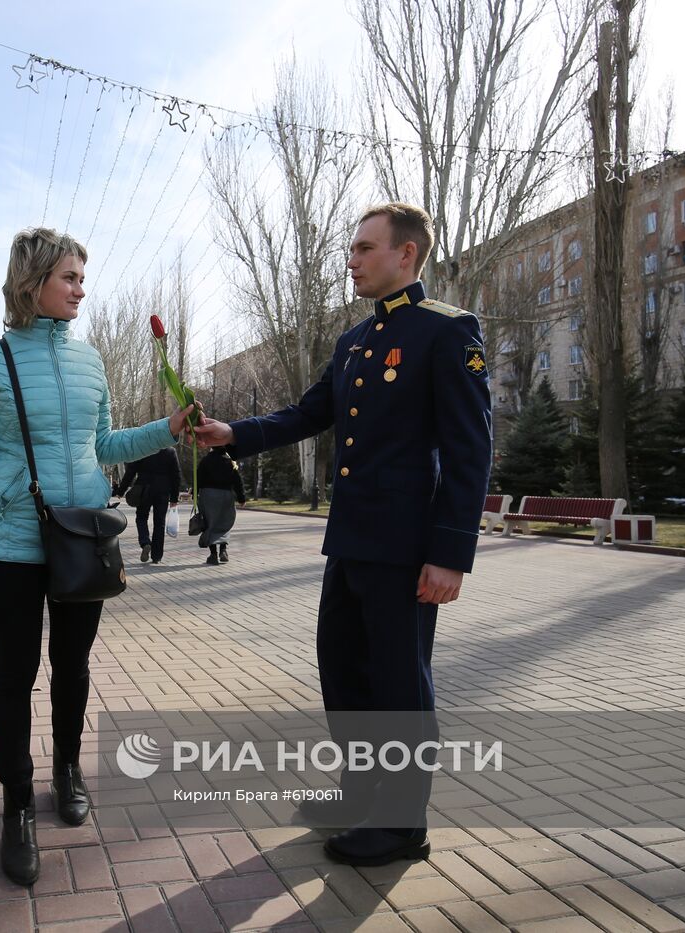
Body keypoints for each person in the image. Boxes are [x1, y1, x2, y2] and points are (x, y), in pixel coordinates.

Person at [194, 203, 492, 867]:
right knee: (344, 674)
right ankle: (360, 793)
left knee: (399, 684)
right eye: (351, 249)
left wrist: (450, 554)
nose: (351, 260)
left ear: (406, 254)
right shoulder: (354, 340)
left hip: (408, 549)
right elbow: (309, 413)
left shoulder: (446, 332)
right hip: (351, 542)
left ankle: (402, 822)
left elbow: (470, 453)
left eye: (363, 247)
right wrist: (234, 434)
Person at [0, 227, 197, 887]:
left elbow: (105, 445)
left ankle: (68, 770)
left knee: (74, 666)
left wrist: (165, 429)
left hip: (82, 539)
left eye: (83, 277)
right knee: (15, 671)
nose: (81, 288)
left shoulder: (92, 362)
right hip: (10, 545)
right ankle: (18, 802)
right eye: (70, 277)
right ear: (33, 283)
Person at [114, 447, 182, 564]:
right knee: (159, 522)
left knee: (141, 517)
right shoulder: (170, 451)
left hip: (144, 489)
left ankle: (145, 542)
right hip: (162, 490)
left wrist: (121, 490)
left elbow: (131, 471)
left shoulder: (144, 448)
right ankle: (157, 556)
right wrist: (174, 497)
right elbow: (176, 475)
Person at [195, 446, 246, 564]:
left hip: (208, 496)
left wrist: (195, 493)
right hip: (226, 496)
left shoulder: (205, 460)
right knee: (224, 522)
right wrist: (241, 498)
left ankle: (213, 555)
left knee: (210, 523)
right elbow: (237, 481)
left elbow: (198, 478)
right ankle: (223, 550)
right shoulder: (229, 462)